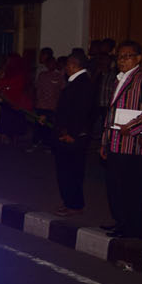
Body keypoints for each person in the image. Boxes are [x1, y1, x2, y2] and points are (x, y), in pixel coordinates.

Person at [100, 40, 142, 239]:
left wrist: (131, 128)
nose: (122, 60)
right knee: (115, 187)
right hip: (114, 141)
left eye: (127, 56)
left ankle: (132, 229)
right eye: (120, 57)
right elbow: (111, 112)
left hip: (131, 144)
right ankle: (120, 222)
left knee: (131, 190)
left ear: (138, 58)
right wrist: (104, 141)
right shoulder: (118, 80)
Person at [52, 51, 96, 216]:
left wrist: (73, 133)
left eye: (67, 64)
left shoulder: (83, 83)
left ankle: (74, 204)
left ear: (73, 65)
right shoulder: (76, 82)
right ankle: (69, 201)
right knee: (66, 170)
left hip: (72, 136)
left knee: (72, 171)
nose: (65, 68)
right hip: (66, 133)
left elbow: (82, 112)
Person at [31, 48, 64, 150]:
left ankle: (48, 145)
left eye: (53, 63)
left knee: (50, 126)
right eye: (49, 63)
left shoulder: (59, 76)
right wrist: (36, 101)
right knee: (39, 125)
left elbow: (62, 90)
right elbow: (37, 89)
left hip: (53, 106)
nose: (51, 65)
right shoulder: (42, 75)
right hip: (41, 105)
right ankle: (35, 143)